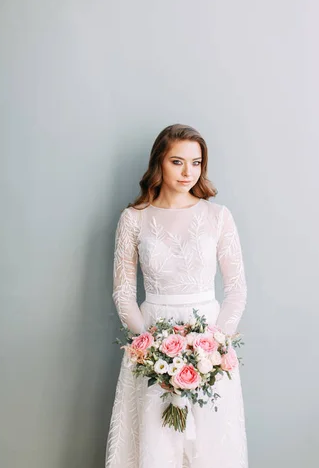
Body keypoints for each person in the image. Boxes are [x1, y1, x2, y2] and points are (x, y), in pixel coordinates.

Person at [105, 123, 248, 468]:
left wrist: (215, 345)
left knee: (209, 443)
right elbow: (123, 291)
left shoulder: (218, 216)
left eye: (196, 163)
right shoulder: (133, 218)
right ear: (159, 163)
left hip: (208, 344)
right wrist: (150, 348)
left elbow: (237, 289)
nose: (188, 172)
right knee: (156, 440)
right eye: (177, 162)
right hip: (152, 337)